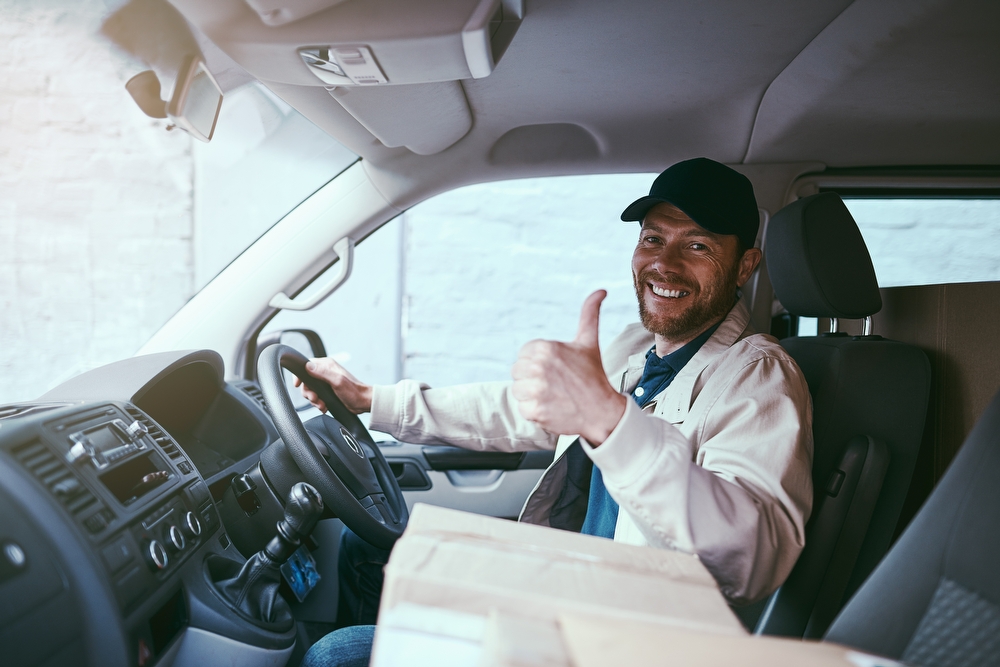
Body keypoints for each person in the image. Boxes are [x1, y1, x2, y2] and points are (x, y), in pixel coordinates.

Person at [298, 158, 813, 666]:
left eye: (697, 245)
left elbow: (750, 554)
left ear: (745, 266)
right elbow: (521, 411)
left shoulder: (759, 376)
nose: (665, 263)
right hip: (571, 593)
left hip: (625, 642)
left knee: (333, 655)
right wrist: (371, 399)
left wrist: (611, 422)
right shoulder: (638, 346)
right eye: (653, 238)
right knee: (362, 550)